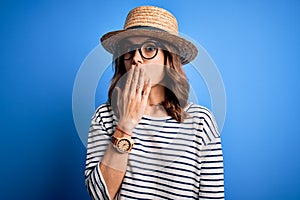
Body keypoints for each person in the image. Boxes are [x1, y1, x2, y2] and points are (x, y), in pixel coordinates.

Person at [85, 5, 224, 200]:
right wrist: (125, 125)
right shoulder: (104, 117)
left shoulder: (200, 122)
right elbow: (99, 196)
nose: (136, 59)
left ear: (169, 59)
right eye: (129, 50)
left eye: (149, 48)